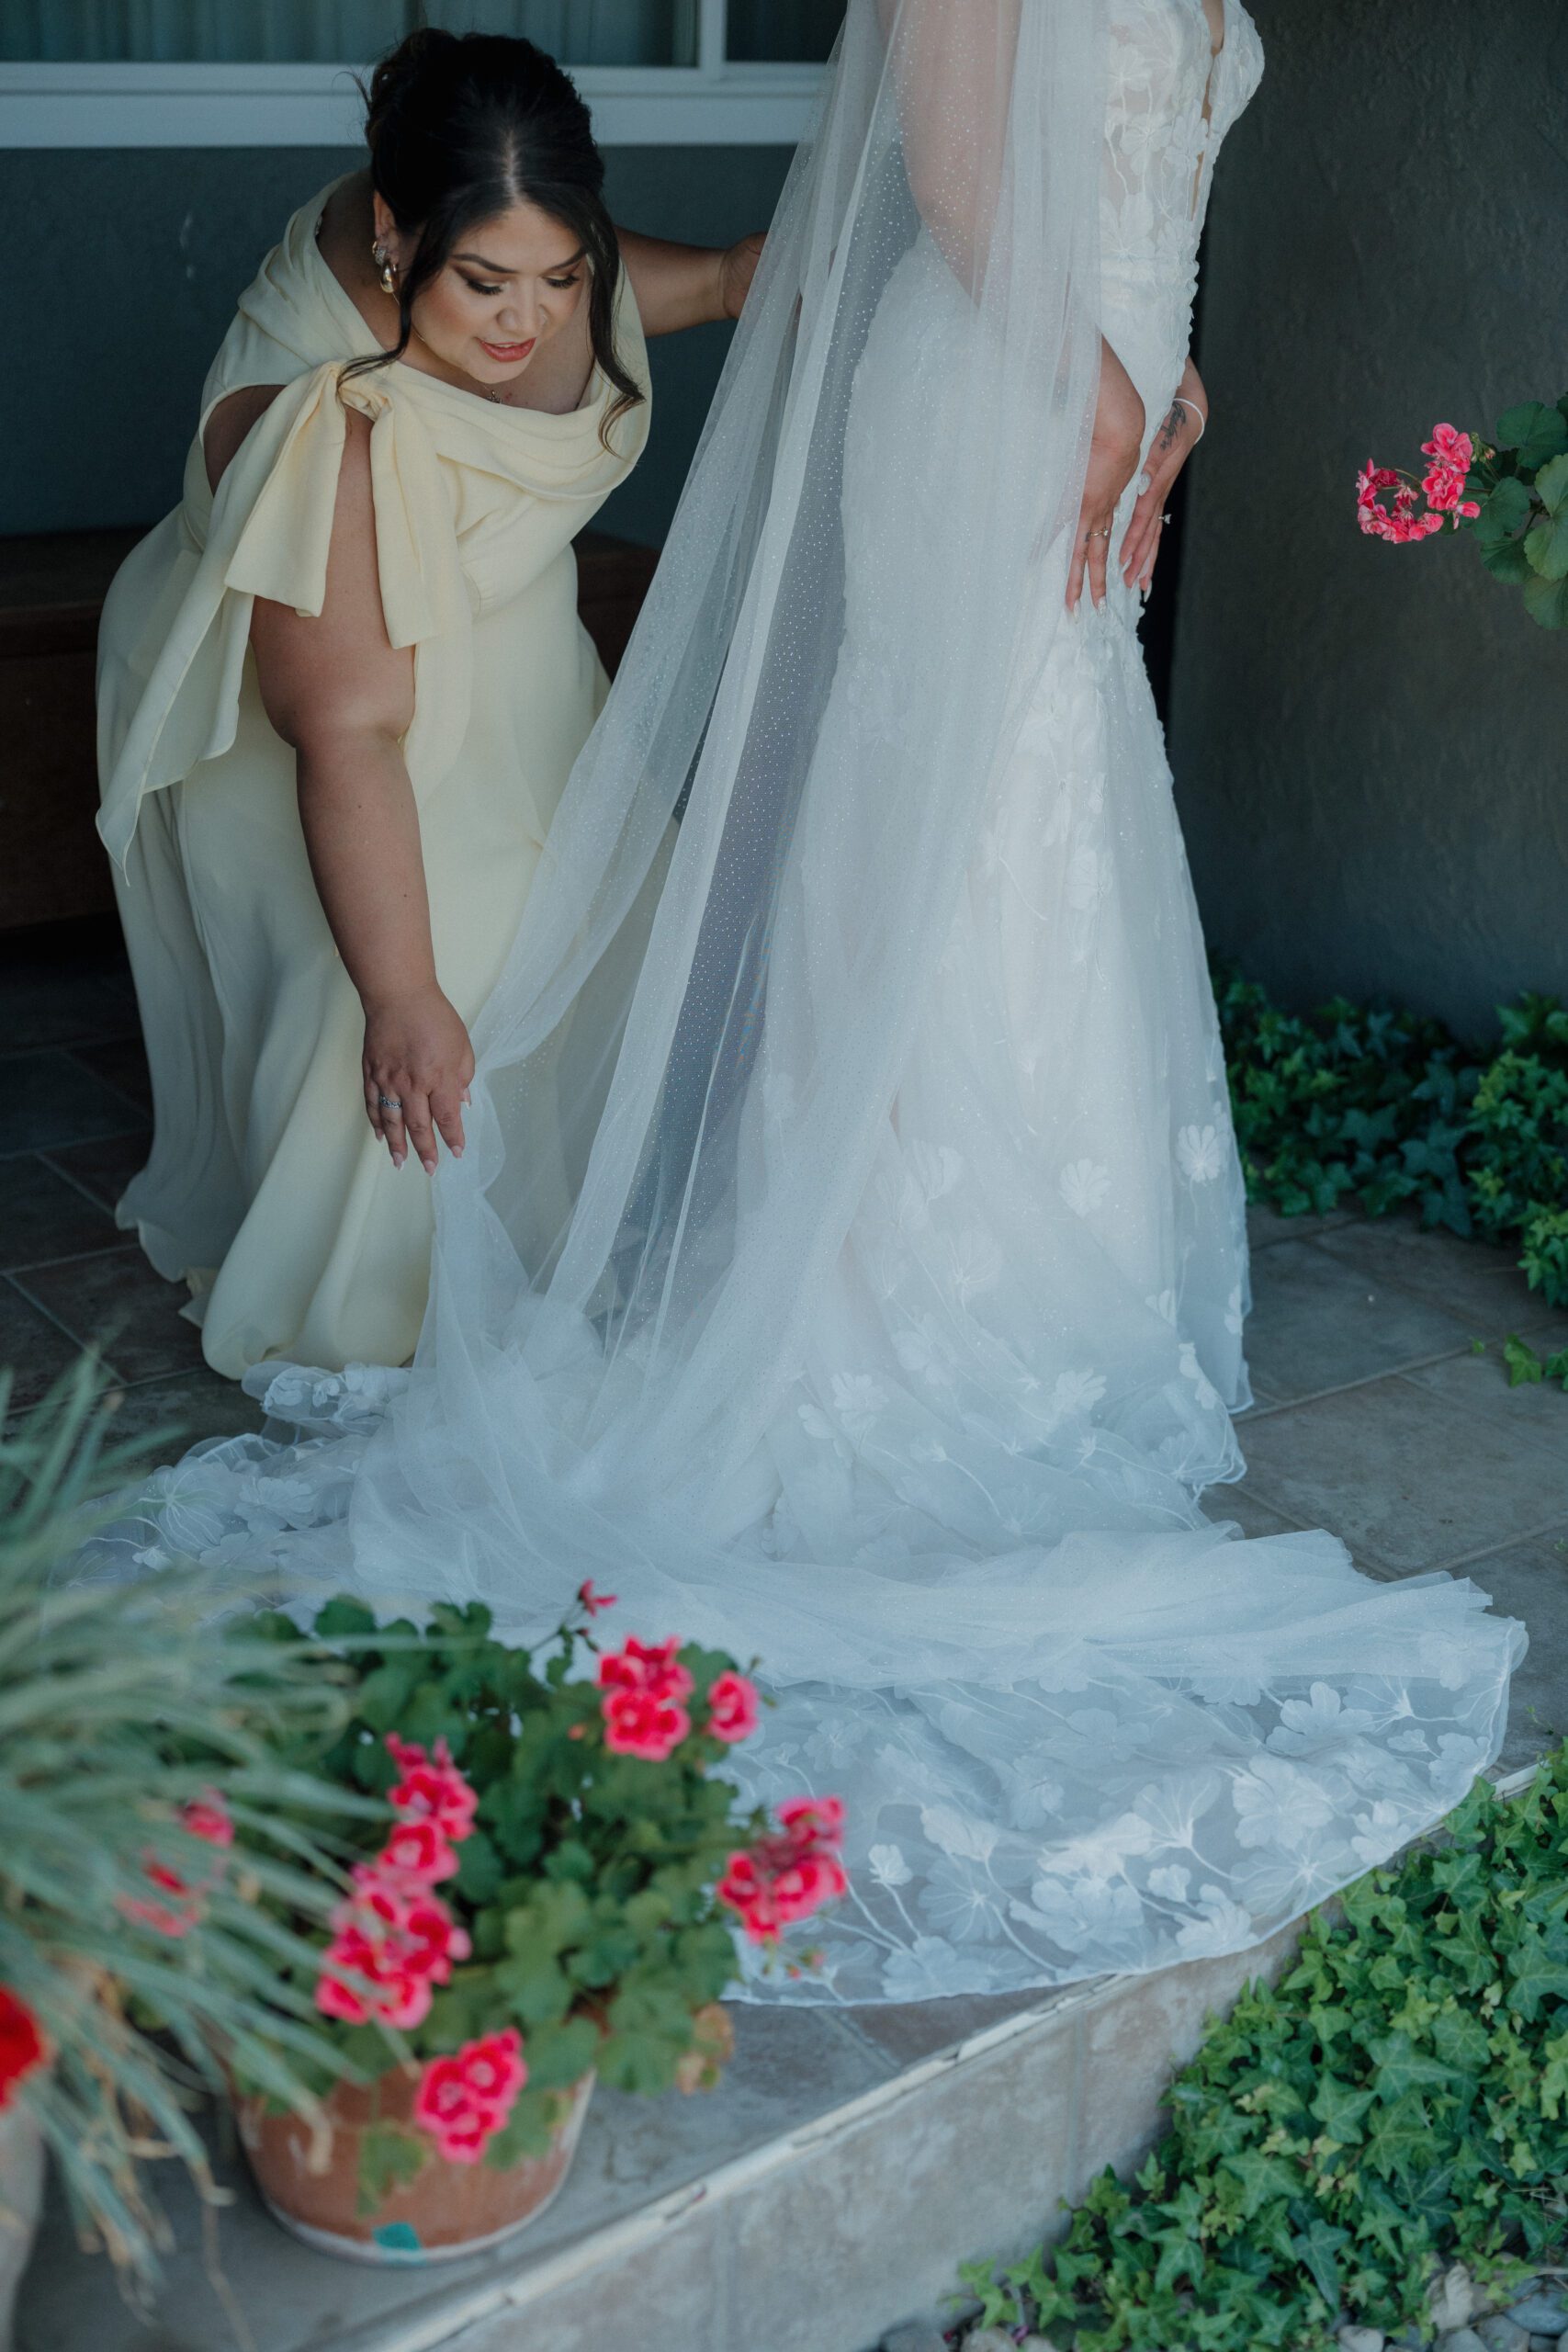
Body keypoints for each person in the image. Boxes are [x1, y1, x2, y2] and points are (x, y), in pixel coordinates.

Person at [115, 0, 1522, 2007]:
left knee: (1045, 840)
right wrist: (1093, 373)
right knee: (943, 841)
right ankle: (872, 1295)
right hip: (1005, 392)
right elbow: (956, 183)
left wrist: (1155, 354)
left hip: (1093, 383)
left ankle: (1028, 1303)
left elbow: (1110, 190)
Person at [96, 28, 762, 1377]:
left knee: (574, 921)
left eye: (560, 277)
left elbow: (720, 281)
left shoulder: (501, 219)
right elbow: (345, 732)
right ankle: (366, 1299)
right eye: (487, 284)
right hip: (298, 693)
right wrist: (403, 994)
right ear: (396, 239)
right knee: (410, 991)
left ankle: (523, 1232)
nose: (526, 321)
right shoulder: (327, 431)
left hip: (502, 642)